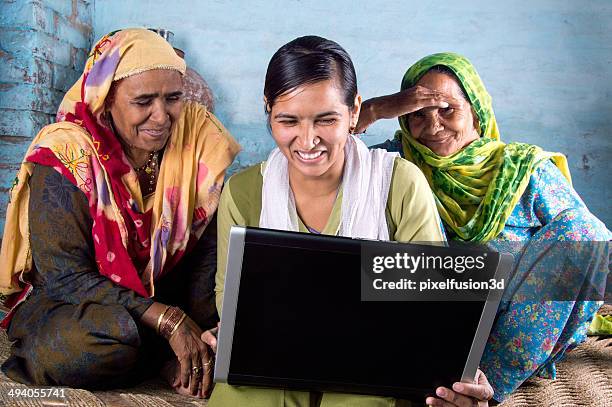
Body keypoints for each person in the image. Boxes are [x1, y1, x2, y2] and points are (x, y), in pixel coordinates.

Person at [204, 37, 495, 407]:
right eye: (288, 120)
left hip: (374, 366)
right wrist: (229, 331)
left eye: (326, 120)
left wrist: (457, 371)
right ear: (268, 110)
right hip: (274, 362)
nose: (307, 141)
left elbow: (430, 308)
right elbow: (230, 298)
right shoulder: (244, 192)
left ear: (355, 111)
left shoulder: (399, 184)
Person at [356, 52, 611, 403]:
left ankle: (482, 387)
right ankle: (451, 378)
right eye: (416, 114)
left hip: (516, 322)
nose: (432, 127)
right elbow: (321, 153)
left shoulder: (520, 168)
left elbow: (592, 250)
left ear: (476, 109)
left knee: (584, 233)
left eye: (448, 110)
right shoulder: (389, 163)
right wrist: (373, 110)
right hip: (425, 317)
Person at [0, 28, 240, 398]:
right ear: (107, 98)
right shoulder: (66, 155)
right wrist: (167, 319)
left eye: (173, 98)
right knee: (105, 339)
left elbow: (206, 257)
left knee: (230, 336)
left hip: (163, 295)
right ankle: (155, 351)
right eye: (143, 101)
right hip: (75, 306)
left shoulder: (195, 141)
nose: (161, 116)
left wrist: (202, 329)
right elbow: (65, 278)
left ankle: (173, 350)